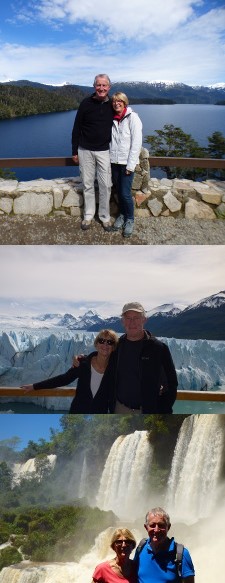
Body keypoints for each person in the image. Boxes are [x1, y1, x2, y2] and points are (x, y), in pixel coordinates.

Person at [73, 302, 178, 414]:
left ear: (144, 320)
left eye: (136, 318)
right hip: (119, 409)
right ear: (122, 321)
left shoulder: (158, 348)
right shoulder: (117, 346)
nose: (132, 322)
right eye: (128, 318)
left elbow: (171, 383)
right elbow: (103, 356)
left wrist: (163, 410)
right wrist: (84, 359)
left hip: (148, 411)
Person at [21, 329, 118, 413]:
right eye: (101, 341)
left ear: (113, 347)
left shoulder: (115, 369)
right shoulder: (83, 363)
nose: (105, 345)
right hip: (77, 412)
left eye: (110, 342)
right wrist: (35, 386)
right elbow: (64, 379)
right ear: (96, 344)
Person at [72, 74, 114, 232]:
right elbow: (76, 128)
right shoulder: (85, 103)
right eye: (99, 85)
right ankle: (88, 216)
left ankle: (105, 217)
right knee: (88, 184)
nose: (101, 88)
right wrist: (74, 150)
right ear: (94, 86)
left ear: (109, 87)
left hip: (104, 151)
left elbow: (124, 115)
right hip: (85, 150)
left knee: (106, 185)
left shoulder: (112, 104)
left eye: (104, 85)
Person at [110, 92, 142, 238]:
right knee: (118, 191)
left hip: (126, 163)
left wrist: (130, 166)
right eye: (114, 101)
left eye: (119, 101)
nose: (117, 103)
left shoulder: (132, 118)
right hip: (114, 162)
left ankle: (130, 219)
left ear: (125, 102)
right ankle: (122, 215)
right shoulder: (113, 118)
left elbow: (136, 143)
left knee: (125, 193)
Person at [134, 507, 195, 582]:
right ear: (146, 527)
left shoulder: (181, 554)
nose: (156, 530)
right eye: (152, 525)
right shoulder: (141, 548)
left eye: (161, 525)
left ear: (168, 527)